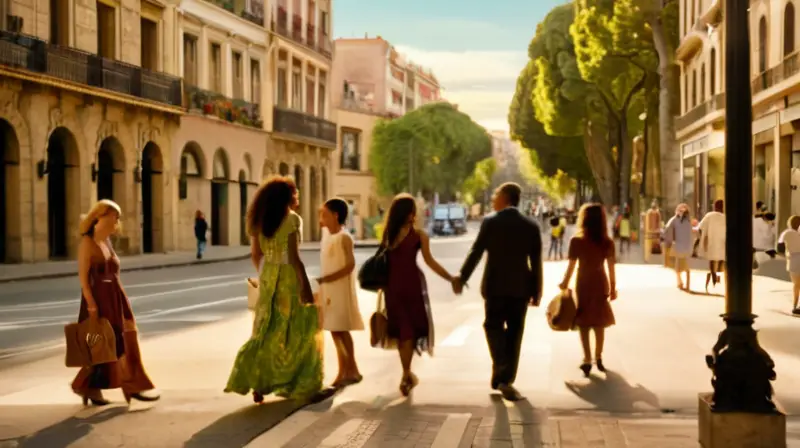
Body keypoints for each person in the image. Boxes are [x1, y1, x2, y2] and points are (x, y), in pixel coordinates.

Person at [225, 176, 324, 403]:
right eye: (294, 193)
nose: (297, 196)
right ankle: (297, 382)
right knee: (296, 331)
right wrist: (306, 289)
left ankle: (259, 384)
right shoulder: (292, 220)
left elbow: (255, 254)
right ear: (286, 197)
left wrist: (265, 277)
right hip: (288, 278)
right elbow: (294, 258)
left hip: (269, 277)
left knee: (265, 330)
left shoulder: (259, 221)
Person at [454, 182, 543, 401]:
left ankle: (501, 367)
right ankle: (505, 379)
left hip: (495, 287)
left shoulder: (490, 222)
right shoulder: (530, 226)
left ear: (505, 197)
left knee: (492, 326)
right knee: (515, 333)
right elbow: (536, 262)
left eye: (496, 195)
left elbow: (476, 251)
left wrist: (462, 277)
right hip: (520, 289)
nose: (493, 199)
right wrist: (537, 290)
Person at [71, 199, 160, 406]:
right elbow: (84, 278)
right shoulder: (88, 242)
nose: (117, 221)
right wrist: (91, 304)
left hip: (116, 295)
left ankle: (132, 384)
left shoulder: (107, 241)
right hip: (99, 297)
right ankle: (86, 385)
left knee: (128, 337)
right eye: (114, 216)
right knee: (103, 345)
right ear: (100, 216)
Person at [381, 193, 455, 396]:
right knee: (404, 331)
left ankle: (406, 374)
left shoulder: (410, 235)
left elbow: (430, 262)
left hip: (406, 288)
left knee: (408, 333)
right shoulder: (394, 234)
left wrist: (450, 278)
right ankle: (406, 374)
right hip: (400, 288)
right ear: (409, 213)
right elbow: (383, 262)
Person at [558, 203, 617, 377]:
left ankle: (587, 358)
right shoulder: (607, 242)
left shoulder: (576, 241)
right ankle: (599, 357)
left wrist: (564, 283)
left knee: (583, 321)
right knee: (599, 322)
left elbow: (571, 266)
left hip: (583, 282)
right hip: (600, 281)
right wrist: (613, 288)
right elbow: (611, 267)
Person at [317, 198, 364, 388]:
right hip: (328, 289)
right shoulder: (326, 236)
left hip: (339, 288)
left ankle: (350, 369)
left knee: (341, 330)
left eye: (324, 215)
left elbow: (350, 265)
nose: (321, 219)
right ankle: (346, 370)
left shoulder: (344, 238)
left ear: (336, 216)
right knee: (335, 330)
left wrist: (327, 279)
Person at [663, 204, 694, 291]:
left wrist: (668, 242)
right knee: (687, 268)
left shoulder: (674, 219)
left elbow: (667, 228)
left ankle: (680, 282)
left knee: (676, 266)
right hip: (688, 247)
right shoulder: (689, 220)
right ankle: (687, 285)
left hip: (679, 247)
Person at [698, 199, 726, 292]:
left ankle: (713, 280)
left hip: (711, 243)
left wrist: (703, 239)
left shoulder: (709, 215)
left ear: (715, 206)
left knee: (712, 262)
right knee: (721, 262)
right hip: (722, 244)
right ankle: (719, 281)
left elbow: (700, 228)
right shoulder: (725, 217)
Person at [780, 216, 800, 314]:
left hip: (793, 260)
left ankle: (795, 305)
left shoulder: (787, 233)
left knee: (796, 285)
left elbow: (779, 247)